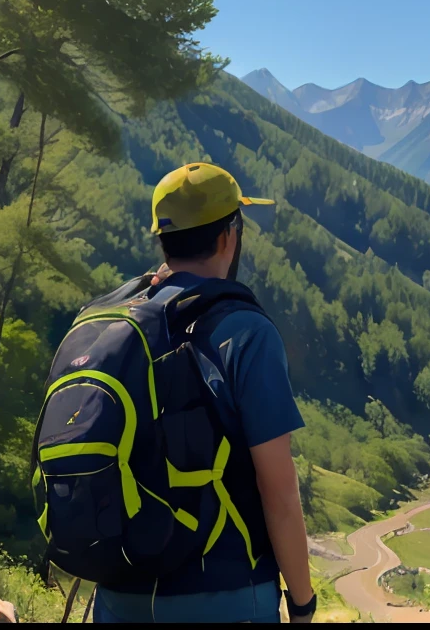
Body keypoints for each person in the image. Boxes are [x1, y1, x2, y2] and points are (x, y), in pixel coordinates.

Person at [92, 162, 319, 623]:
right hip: (226, 594)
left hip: (119, 593)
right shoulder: (246, 332)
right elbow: (278, 489)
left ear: (163, 241)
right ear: (229, 237)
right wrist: (302, 602)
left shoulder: (121, 324)